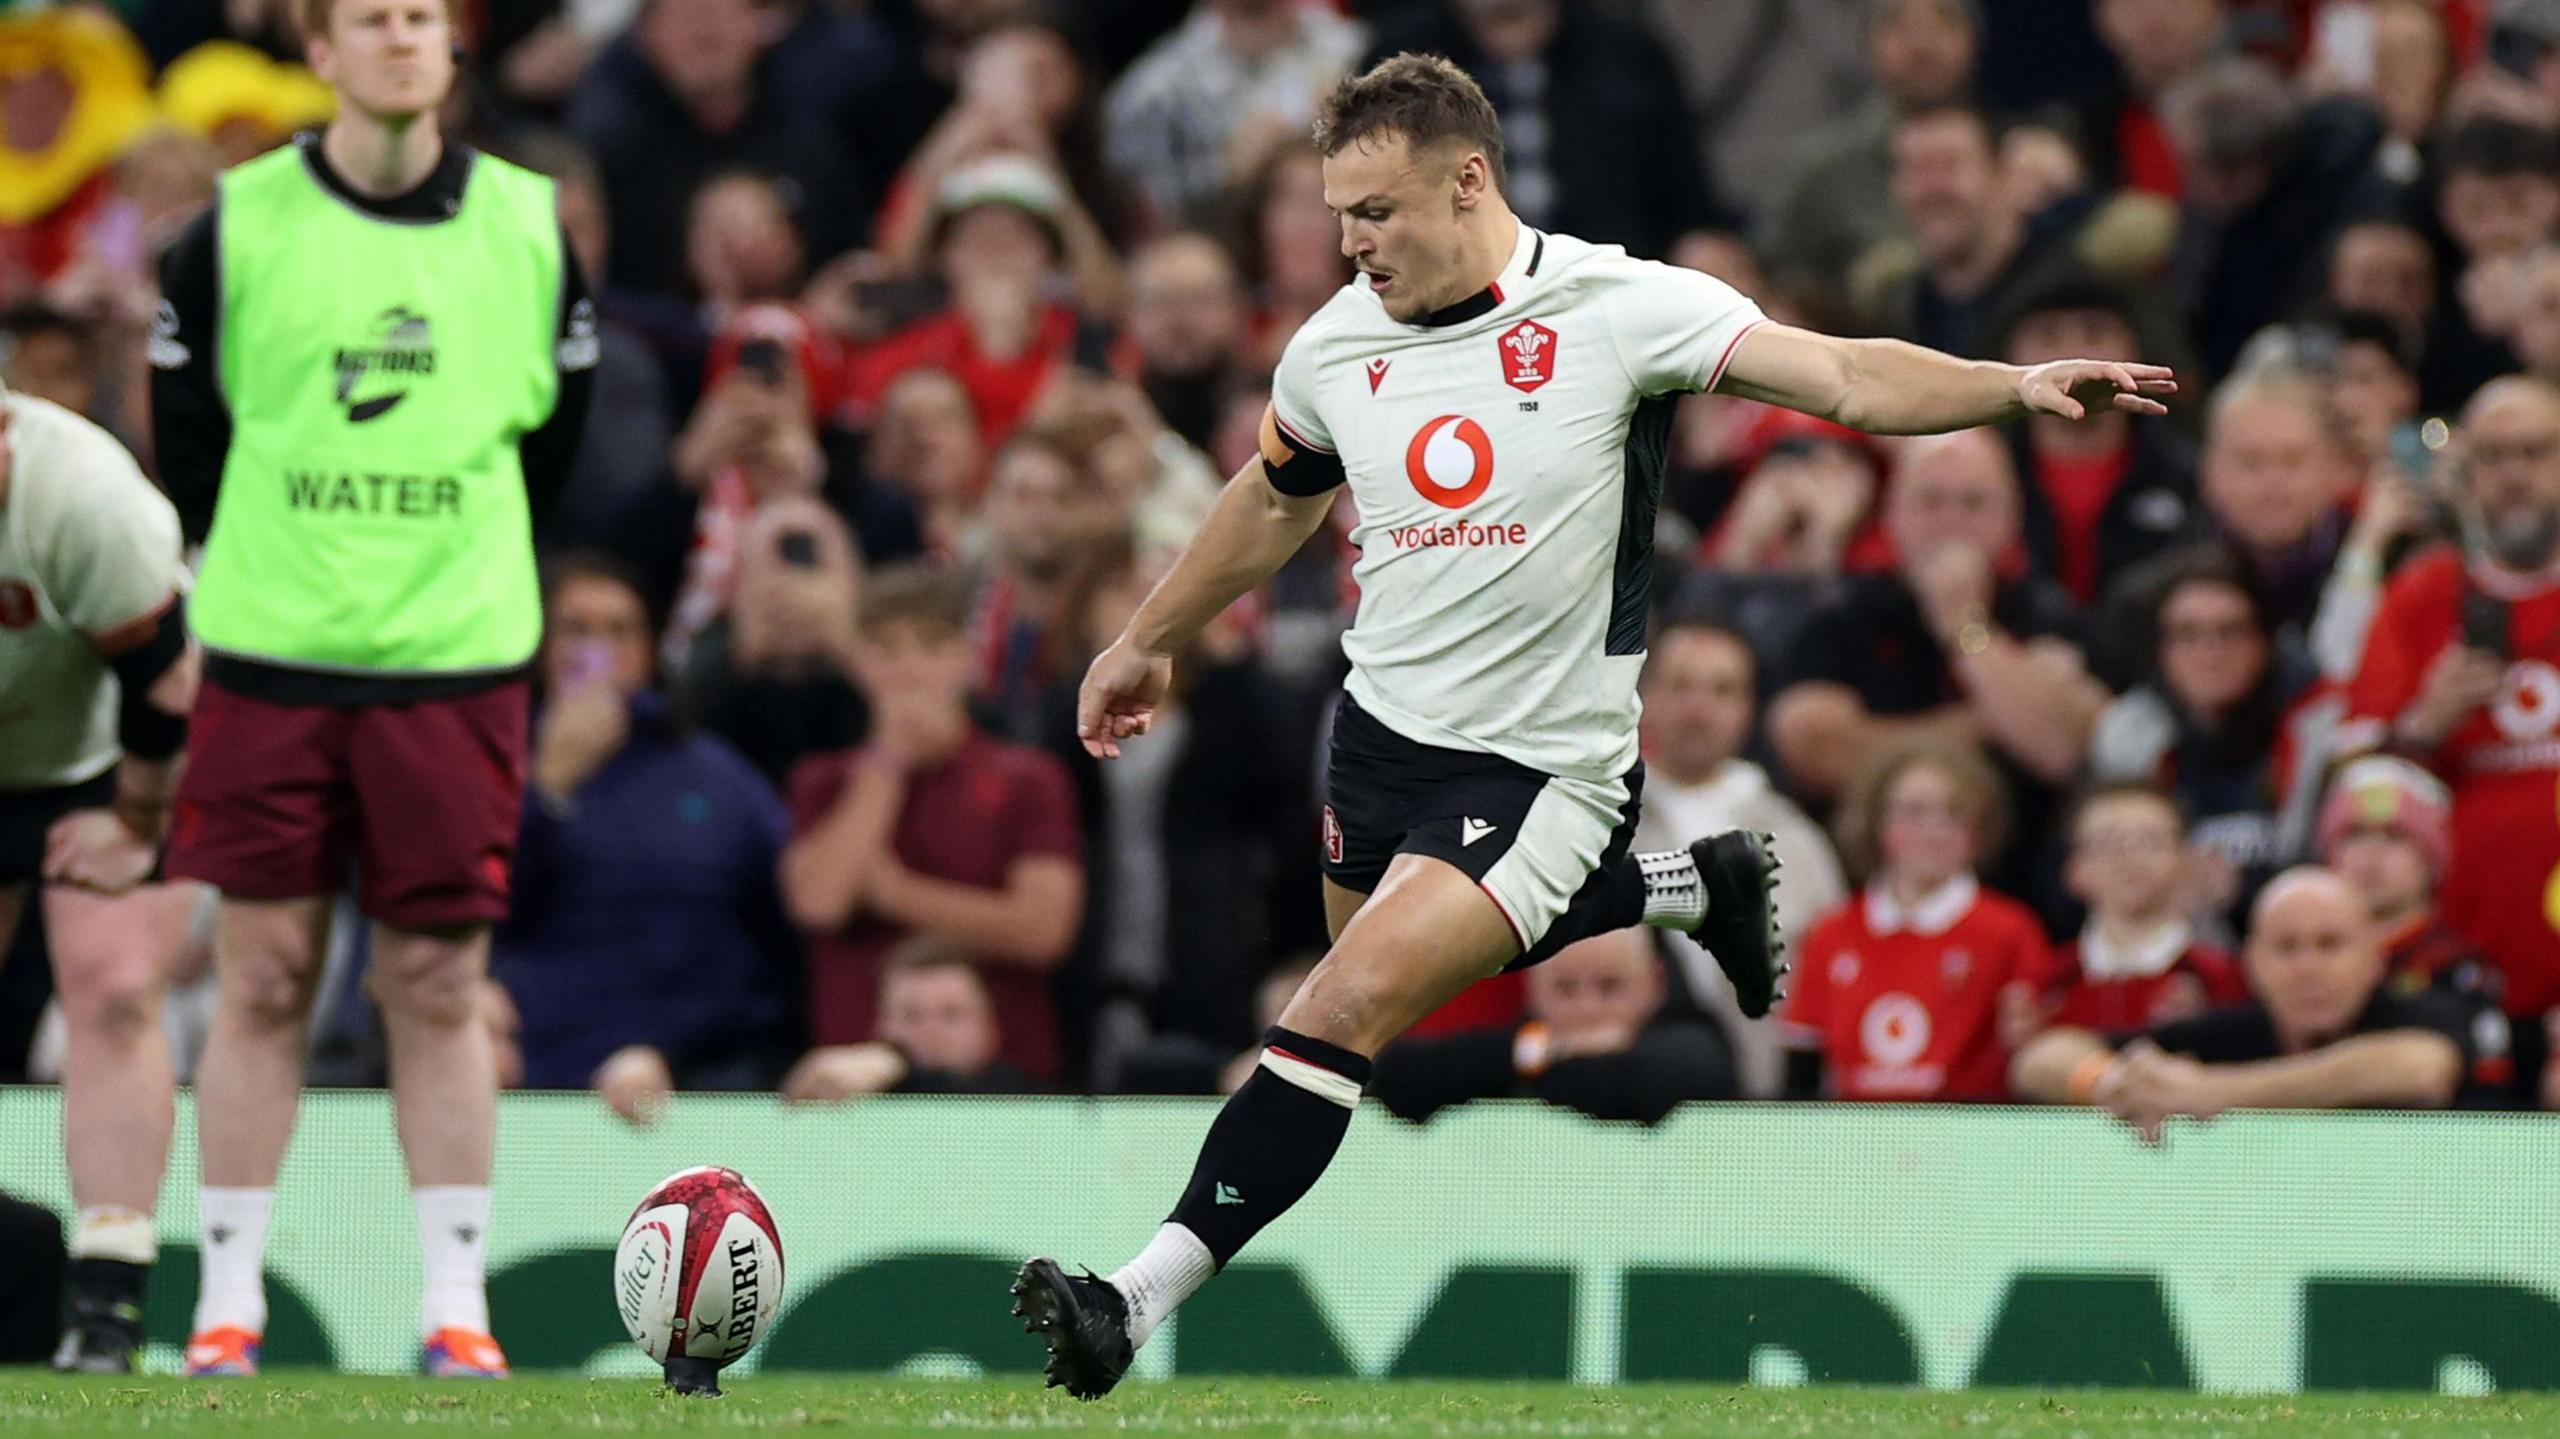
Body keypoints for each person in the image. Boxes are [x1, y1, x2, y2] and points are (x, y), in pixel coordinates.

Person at [1010, 53, 2174, 1400]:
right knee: (1384, 1007)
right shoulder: (1334, 344)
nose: (1351, 243)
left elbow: (1849, 375)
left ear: (1469, 179)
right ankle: (1688, 883)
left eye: (1376, 211)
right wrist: (1148, 634)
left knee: (1334, 1007)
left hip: (1543, 763)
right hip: (1378, 738)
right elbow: (1274, 498)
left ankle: (1131, 1295)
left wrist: (2010, 385)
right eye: (1339, 214)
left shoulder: (1620, 307)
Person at [147, 0, 596, 1380]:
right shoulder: (231, 226)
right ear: (320, 52)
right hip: (271, 653)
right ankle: (227, 1307)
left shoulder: (530, 226)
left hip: (453, 660)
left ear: (452, 48)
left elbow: (553, 450)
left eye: (420, 16)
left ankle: (456, 1307)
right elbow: (190, 445)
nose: (400, 37)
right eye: (369, 17)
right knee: (263, 972)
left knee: (438, 980)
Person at [0, 381, 198, 1371]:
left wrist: (135, 821)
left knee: (114, 986)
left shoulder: (87, 499)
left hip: (101, 754)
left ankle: (107, 1299)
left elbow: (167, 684)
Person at [492, 554, 799, 1115]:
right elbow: (481, 915)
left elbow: (781, 921)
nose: (599, 651)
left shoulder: (715, 774)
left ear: (652, 648)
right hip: (541, 1064)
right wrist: (547, 790)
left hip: (703, 1066)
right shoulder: (494, 763)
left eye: (620, 631)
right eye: (576, 630)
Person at [781, 565, 1084, 1083]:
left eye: (931, 646)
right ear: (859, 664)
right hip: (852, 1075)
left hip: (1000, 1078)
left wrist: (895, 893)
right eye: (886, 649)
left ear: (965, 657)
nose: (910, 669)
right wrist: (886, 763)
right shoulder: (822, 781)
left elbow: (1043, 930)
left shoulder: (1028, 778)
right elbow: (819, 902)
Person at [2343, 376, 2560, 1036]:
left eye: (2536, 451)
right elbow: (2352, 790)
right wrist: (2423, 726)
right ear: (2462, 475)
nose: (2515, 474)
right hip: (2458, 966)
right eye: (2493, 456)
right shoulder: (2420, 598)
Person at [2011, 868, 2490, 1138]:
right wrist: (2111, 1083)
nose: (2308, 967)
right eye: (2287, 948)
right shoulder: (2229, 1031)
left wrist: (2213, 1093)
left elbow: (2421, 1069)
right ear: (2253, 963)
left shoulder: (2419, 1014)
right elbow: (2041, 1058)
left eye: (2330, 945)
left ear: (2373, 959)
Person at [1630, 619, 1848, 1096]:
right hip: (1626, 1105)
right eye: (1681, 685)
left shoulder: (1797, 842)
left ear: (1748, 709)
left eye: (1722, 690)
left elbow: (1835, 990)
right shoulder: (1601, 830)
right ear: (1644, 695)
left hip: (1765, 1105)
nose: (1699, 708)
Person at [1780, 739, 2047, 1102]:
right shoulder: (1832, 931)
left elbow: (2030, 1058)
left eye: (1954, 814)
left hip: (1969, 1128)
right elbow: (1802, 1065)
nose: (1934, 831)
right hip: (1857, 1130)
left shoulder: (2011, 931)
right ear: (1878, 824)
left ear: (1978, 831)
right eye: (1914, 812)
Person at [1368, 928, 1737, 1124]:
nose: (1587, 1008)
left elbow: (1688, 1074)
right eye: (1565, 987)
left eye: (1610, 986)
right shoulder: (1518, 1044)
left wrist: (1550, 1060)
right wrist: (1537, 1051)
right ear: (1532, 987)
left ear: (1656, 982)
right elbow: (1397, 1077)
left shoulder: (1692, 1044)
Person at [2013, 783, 2244, 1041]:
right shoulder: (2049, 982)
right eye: (2109, 843)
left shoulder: (2219, 977)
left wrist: (2205, 1031)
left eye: (2151, 842)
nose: (2131, 857)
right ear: (2075, 868)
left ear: (2187, 860)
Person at [776, 936, 1046, 1101]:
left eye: (952, 1014)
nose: (932, 1031)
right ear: (881, 1026)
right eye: (911, 1015)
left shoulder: (1031, 1104)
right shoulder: (845, 1092)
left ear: (989, 1027)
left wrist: (896, 1063)